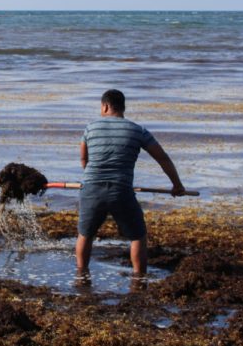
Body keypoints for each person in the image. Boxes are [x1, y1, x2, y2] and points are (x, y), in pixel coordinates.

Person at [76, 89, 187, 278]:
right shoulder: (137, 130)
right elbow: (163, 159)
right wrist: (177, 185)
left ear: (105, 106)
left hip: (91, 188)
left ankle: (82, 274)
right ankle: (138, 277)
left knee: (85, 234)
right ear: (122, 107)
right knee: (137, 236)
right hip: (121, 190)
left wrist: (92, 180)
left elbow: (84, 160)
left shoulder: (90, 128)